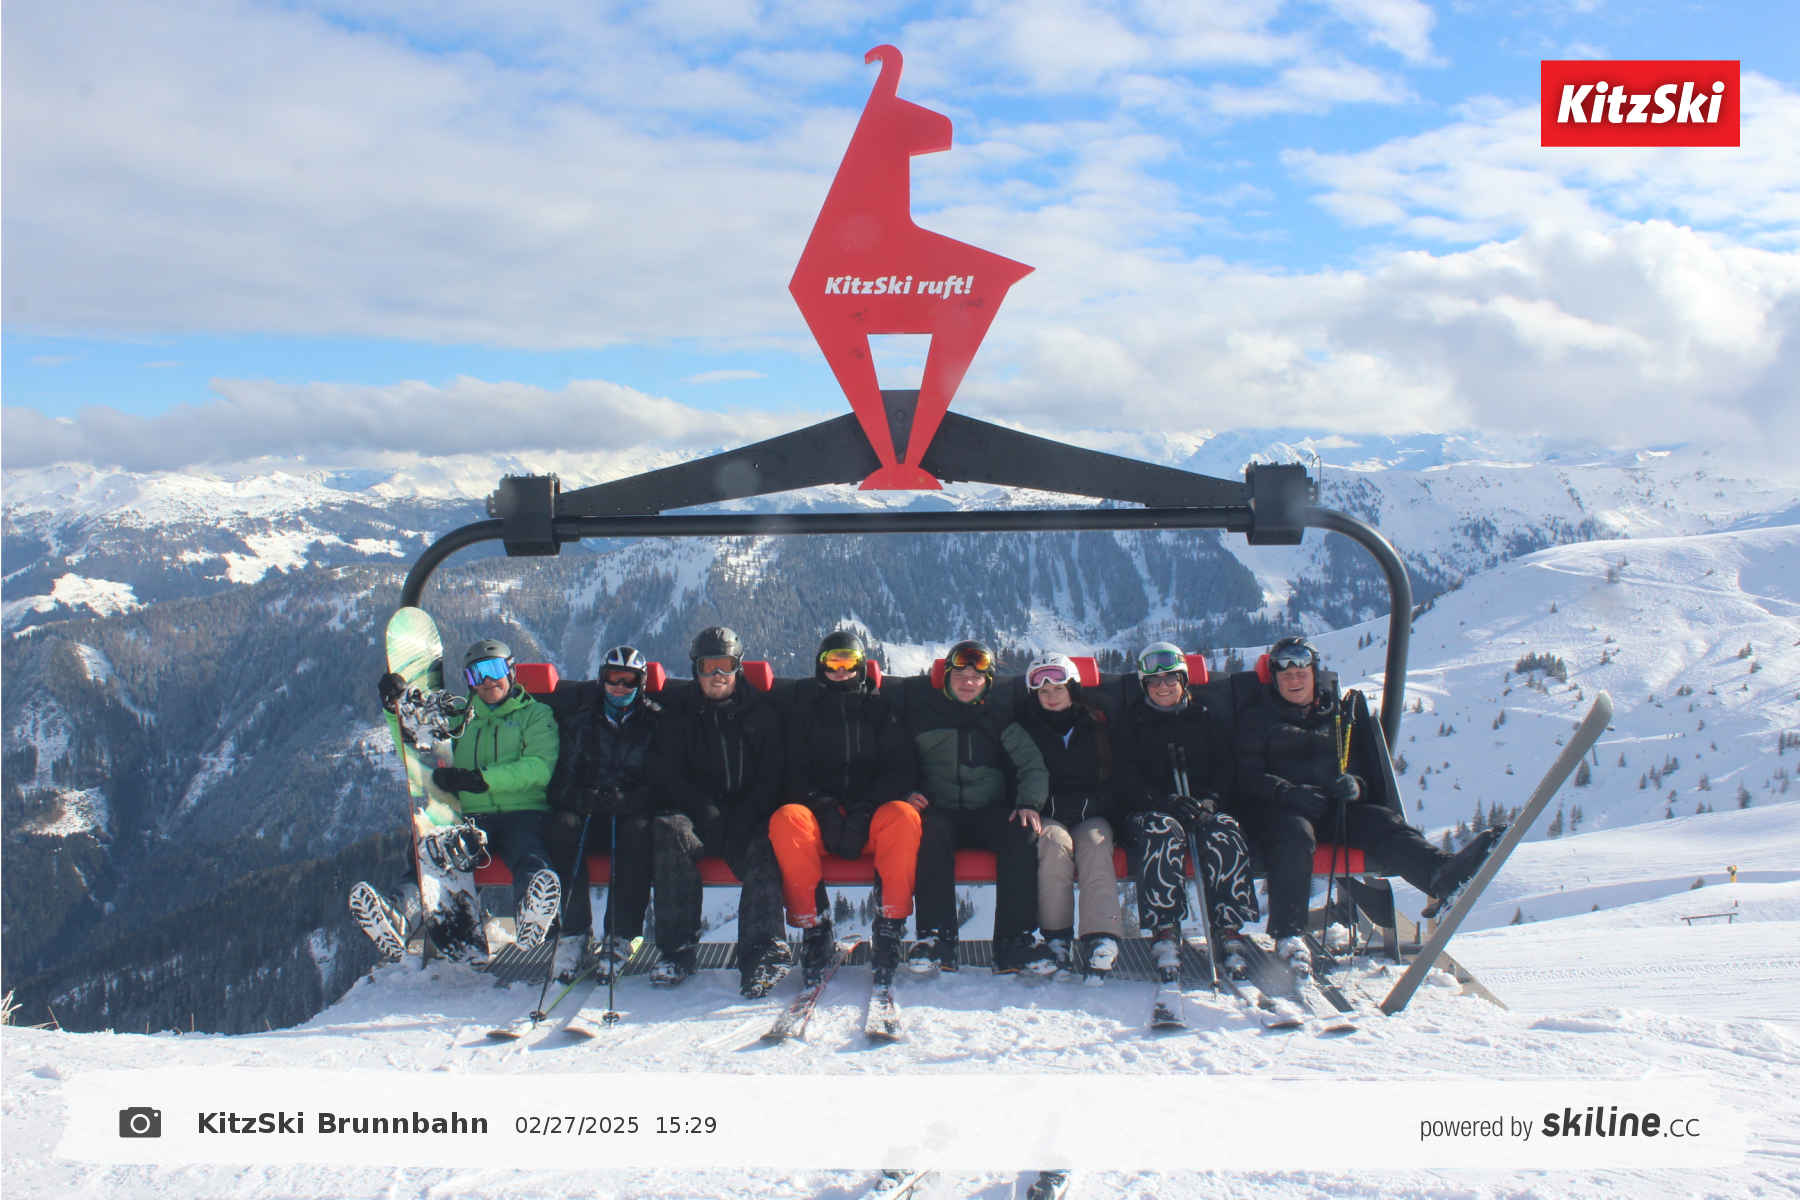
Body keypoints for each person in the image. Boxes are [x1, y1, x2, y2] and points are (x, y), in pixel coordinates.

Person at [1236, 635, 1500, 975]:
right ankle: (1289, 935)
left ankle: (1440, 876)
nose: (1294, 680)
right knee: (1294, 836)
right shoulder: (1257, 720)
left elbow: (1364, 772)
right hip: (1279, 811)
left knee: (1379, 821)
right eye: (1286, 675)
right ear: (1274, 679)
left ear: (1315, 675)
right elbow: (1245, 776)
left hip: (1333, 808)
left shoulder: (1339, 717)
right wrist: (1286, 792)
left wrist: (1355, 786)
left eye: (1301, 673)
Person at [351, 638, 563, 962]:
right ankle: (398, 916)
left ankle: (532, 913)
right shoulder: (459, 718)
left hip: (525, 812)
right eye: (477, 674)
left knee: (529, 853)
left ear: (511, 671)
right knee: (435, 855)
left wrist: (477, 779)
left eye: (494, 670)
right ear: (469, 681)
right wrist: (394, 709)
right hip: (474, 818)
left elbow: (538, 768)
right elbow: (416, 743)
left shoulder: (535, 714)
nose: (488, 680)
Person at [768, 630, 921, 986]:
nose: (841, 671)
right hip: (821, 819)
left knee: (904, 817)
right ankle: (815, 929)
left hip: (871, 818)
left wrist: (865, 808)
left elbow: (902, 768)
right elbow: (792, 773)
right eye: (832, 662)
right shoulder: (803, 715)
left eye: (849, 662)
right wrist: (823, 808)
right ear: (820, 667)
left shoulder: (883, 711)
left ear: (862, 666)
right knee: (786, 819)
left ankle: (889, 927)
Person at [644, 626, 791, 996]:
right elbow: (665, 773)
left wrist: (747, 814)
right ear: (696, 670)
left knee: (765, 843)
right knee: (668, 829)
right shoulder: (679, 717)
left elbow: (772, 775)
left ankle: (761, 952)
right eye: (708, 666)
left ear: (738, 667)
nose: (717, 675)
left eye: (725, 665)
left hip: (745, 814)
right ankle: (677, 950)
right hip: (696, 815)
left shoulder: (763, 717)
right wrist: (702, 807)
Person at [904, 639, 1056, 977]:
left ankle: (1014, 942)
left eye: (976, 677)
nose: (967, 682)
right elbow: (897, 760)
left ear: (986, 682)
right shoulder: (921, 716)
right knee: (930, 834)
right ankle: (936, 940)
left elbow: (1031, 764)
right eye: (960, 675)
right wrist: (906, 792)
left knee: (1022, 833)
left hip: (988, 809)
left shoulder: (999, 718)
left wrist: (1029, 802)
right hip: (939, 808)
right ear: (947, 677)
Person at [1117, 642, 1261, 981]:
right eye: (1154, 681)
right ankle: (1165, 929)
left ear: (1183, 680)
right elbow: (1124, 772)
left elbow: (1225, 765)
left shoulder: (1206, 716)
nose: (1163, 686)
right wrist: (1158, 801)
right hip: (1148, 811)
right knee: (1161, 830)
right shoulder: (1132, 721)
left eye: (1170, 679)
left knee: (1225, 829)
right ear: (1144, 685)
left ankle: (1227, 926)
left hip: (1200, 807)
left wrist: (1210, 801)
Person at [541, 646, 662, 984]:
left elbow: (663, 782)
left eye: (629, 680)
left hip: (629, 814)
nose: (620, 687)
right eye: (613, 678)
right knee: (563, 826)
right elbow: (559, 782)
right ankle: (574, 933)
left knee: (639, 830)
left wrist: (629, 801)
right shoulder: (580, 723)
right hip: (591, 814)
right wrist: (582, 798)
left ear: (641, 684)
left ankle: (620, 934)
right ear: (601, 680)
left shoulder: (655, 724)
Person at [1015, 652, 1134, 983]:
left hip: (1091, 810)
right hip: (1047, 813)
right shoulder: (1025, 728)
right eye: (1043, 691)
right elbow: (1016, 774)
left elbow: (1118, 776)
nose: (1051, 697)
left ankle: (1101, 936)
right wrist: (1045, 805)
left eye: (1058, 689)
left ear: (1072, 689)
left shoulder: (1096, 725)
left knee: (1096, 845)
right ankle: (1057, 938)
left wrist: (1094, 803)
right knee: (1055, 846)